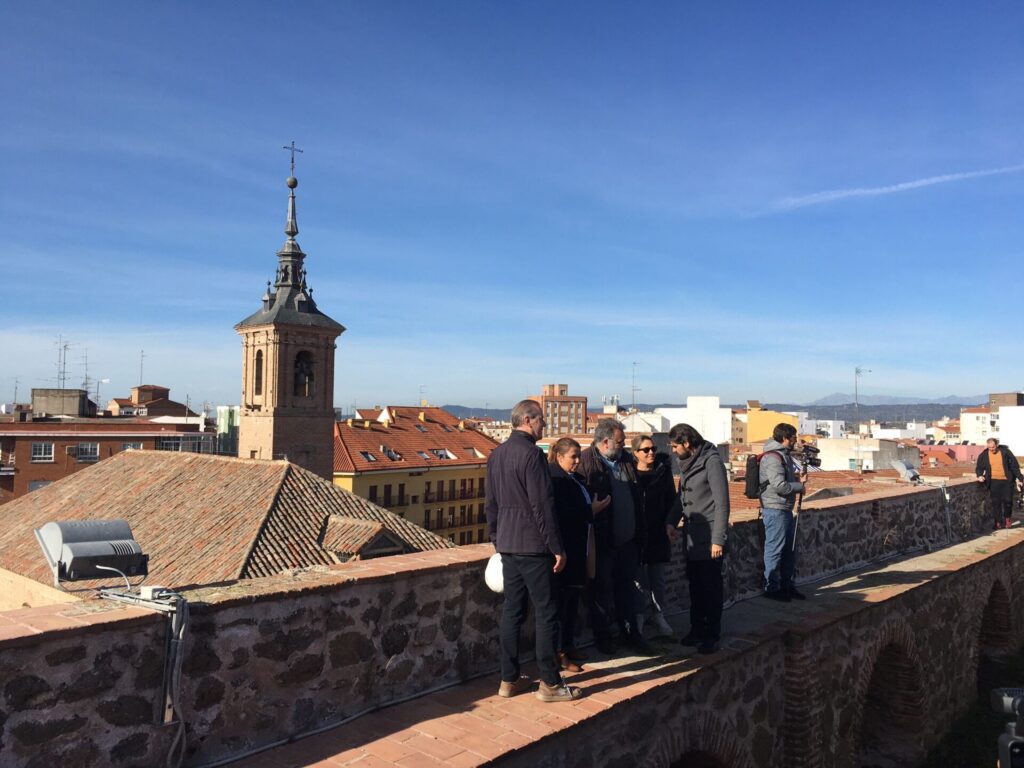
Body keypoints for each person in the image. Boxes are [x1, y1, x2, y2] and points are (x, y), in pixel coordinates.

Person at [485, 399, 580, 702]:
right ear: (528, 420)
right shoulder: (533, 456)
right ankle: (550, 683)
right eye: (541, 421)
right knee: (546, 613)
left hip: (509, 545)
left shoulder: (496, 455)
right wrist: (556, 548)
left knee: (513, 611)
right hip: (534, 547)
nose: (544, 426)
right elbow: (542, 506)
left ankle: (508, 679)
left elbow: (490, 503)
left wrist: (498, 539)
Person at [577, 418, 652, 654]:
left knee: (626, 590)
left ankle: (630, 633)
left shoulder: (625, 462)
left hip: (628, 542)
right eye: (620, 442)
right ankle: (604, 638)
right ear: (606, 441)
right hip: (603, 543)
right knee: (601, 592)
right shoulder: (586, 463)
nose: (623, 445)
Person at [667, 423, 729, 654]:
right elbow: (681, 497)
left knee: (710, 589)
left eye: (675, 446)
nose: (673, 450)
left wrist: (718, 539)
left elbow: (722, 503)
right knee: (695, 587)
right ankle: (697, 630)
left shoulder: (711, 462)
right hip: (692, 537)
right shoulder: (686, 463)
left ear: (687, 443)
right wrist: (671, 522)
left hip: (710, 537)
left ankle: (712, 634)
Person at [548, 437, 608, 672]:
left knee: (572, 601)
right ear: (560, 456)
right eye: (573, 457)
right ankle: (560, 652)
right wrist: (591, 510)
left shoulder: (574, 479)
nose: (577, 461)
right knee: (562, 605)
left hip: (579, 548)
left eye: (578, 456)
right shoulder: (556, 480)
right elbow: (562, 515)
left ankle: (569, 645)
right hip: (565, 550)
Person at [633, 434, 682, 637]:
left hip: (657, 533)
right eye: (645, 450)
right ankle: (638, 616)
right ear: (636, 454)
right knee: (638, 580)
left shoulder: (663, 472)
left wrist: (670, 523)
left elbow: (672, 501)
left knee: (657, 580)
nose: (651, 452)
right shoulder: (629, 475)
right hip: (635, 535)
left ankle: (658, 615)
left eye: (652, 448)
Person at [758, 423, 807, 602]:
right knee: (775, 549)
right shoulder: (772, 457)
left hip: (783, 509)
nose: (795, 441)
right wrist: (799, 486)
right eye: (794, 438)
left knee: (789, 550)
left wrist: (796, 480)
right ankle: (771, 587)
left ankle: (787, 585)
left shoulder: (783, 456)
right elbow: (779, 486)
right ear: (785, 438)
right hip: (775, 508)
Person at [975, 437, 1024, 530]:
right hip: (993, 481)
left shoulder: (1005, 452)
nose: (991, 449)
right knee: (996, 503)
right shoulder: (984, 455)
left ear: (997, 445)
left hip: (1007, 481)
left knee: (1008, 501)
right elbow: (979, 467)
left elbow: (1014, 466)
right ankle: (998, 522)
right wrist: (980, 475)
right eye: (989, 448)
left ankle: (1007, 518)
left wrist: (1020, 478)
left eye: (993, 447)